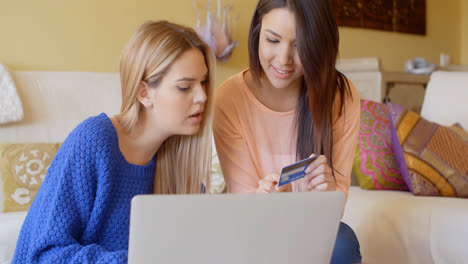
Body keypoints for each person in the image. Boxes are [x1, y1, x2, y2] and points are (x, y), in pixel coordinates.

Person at [13, 20, 215, 263]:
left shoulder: (179, 164)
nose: (202, 96)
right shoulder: (94, 140)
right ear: (144, 93)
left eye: (203, 82)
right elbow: (45, 253)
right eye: (184, 87)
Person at [213, 0, 361, 263]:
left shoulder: (341, 96)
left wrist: (326, 198)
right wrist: (265, 203)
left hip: (312, 229)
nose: (284, 60)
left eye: (300, 45)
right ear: (258, 32)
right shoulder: (229, 98)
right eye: (273, 40)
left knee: (342, 241)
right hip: (253, 230)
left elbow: (334, 211)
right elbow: (245, 208)